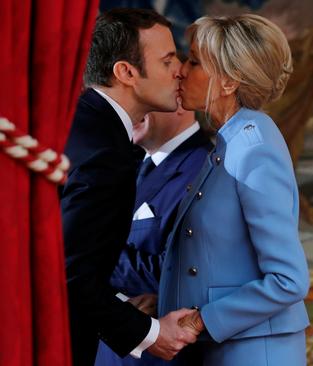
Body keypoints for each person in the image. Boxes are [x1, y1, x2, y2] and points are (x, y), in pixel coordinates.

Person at [157, 14, 310, 365]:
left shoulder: (254, 146)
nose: (181, 70)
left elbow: (289, 280)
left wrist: (200, 319)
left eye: (194, 61)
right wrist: (163, 300)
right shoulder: (232, 141)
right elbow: (216, 260)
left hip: (254, 353)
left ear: (227, 82)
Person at [60, 8, 199, 365]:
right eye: (168, 60)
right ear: (126, 72)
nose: (180, 70)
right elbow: (71, 275)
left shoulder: (79, 123)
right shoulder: (105, 153)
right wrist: (151, 334)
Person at [95, 102, 214, 366]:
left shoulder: (206, 170)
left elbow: (181, 271)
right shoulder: (127, 164)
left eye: (145, 100)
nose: (131, 108)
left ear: (179, 101)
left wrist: (89, 253)